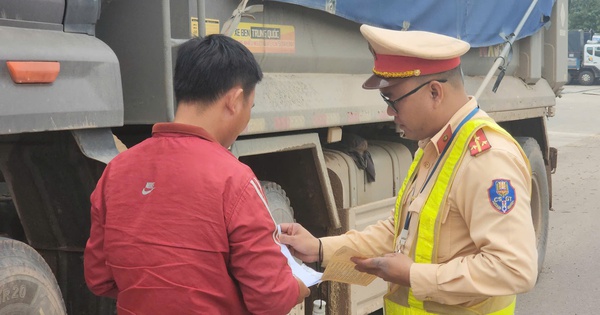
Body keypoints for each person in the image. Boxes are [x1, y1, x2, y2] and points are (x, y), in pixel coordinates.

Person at [280, 25, 537, 314]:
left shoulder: (487, 159)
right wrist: (319, 248)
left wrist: (414, 275)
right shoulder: (436, 146)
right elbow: (399, 232)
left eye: (393, 99)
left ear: (435, 92)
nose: (389, 112)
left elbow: (514, 268)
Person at [84, 34, 309, 315]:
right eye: (250, 108)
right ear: (235, 100)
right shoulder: (235, 180)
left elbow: (99, 278)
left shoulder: (116, 172)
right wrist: (298, 287)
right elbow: (270, 298)